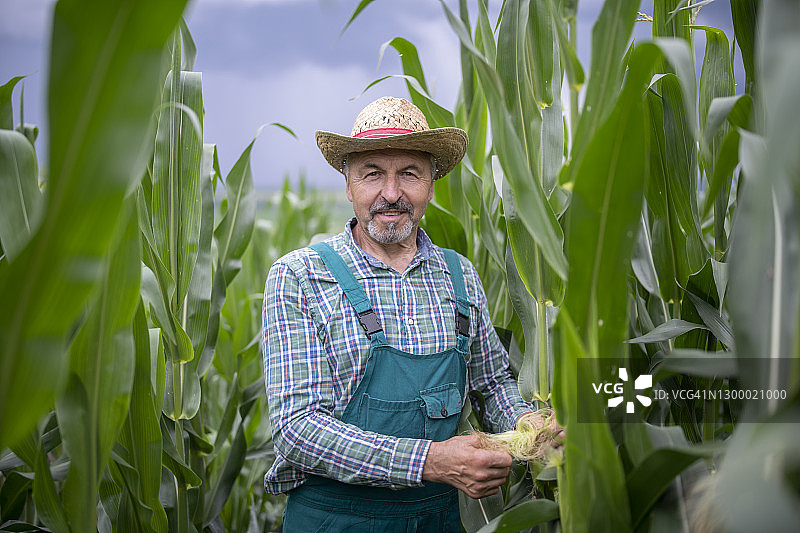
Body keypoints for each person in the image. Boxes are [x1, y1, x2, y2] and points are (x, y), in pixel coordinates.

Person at [262, 96, 559, 532]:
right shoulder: (301, 276)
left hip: (441, 519)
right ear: (348, 186)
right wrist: (430, 461)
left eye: (409, 173)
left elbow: (491, 383)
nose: (391, 193)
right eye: (372, 174)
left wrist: (526, 423)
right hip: (334, 520)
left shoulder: (459, 274)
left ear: (431, 186)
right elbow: (297, 430)